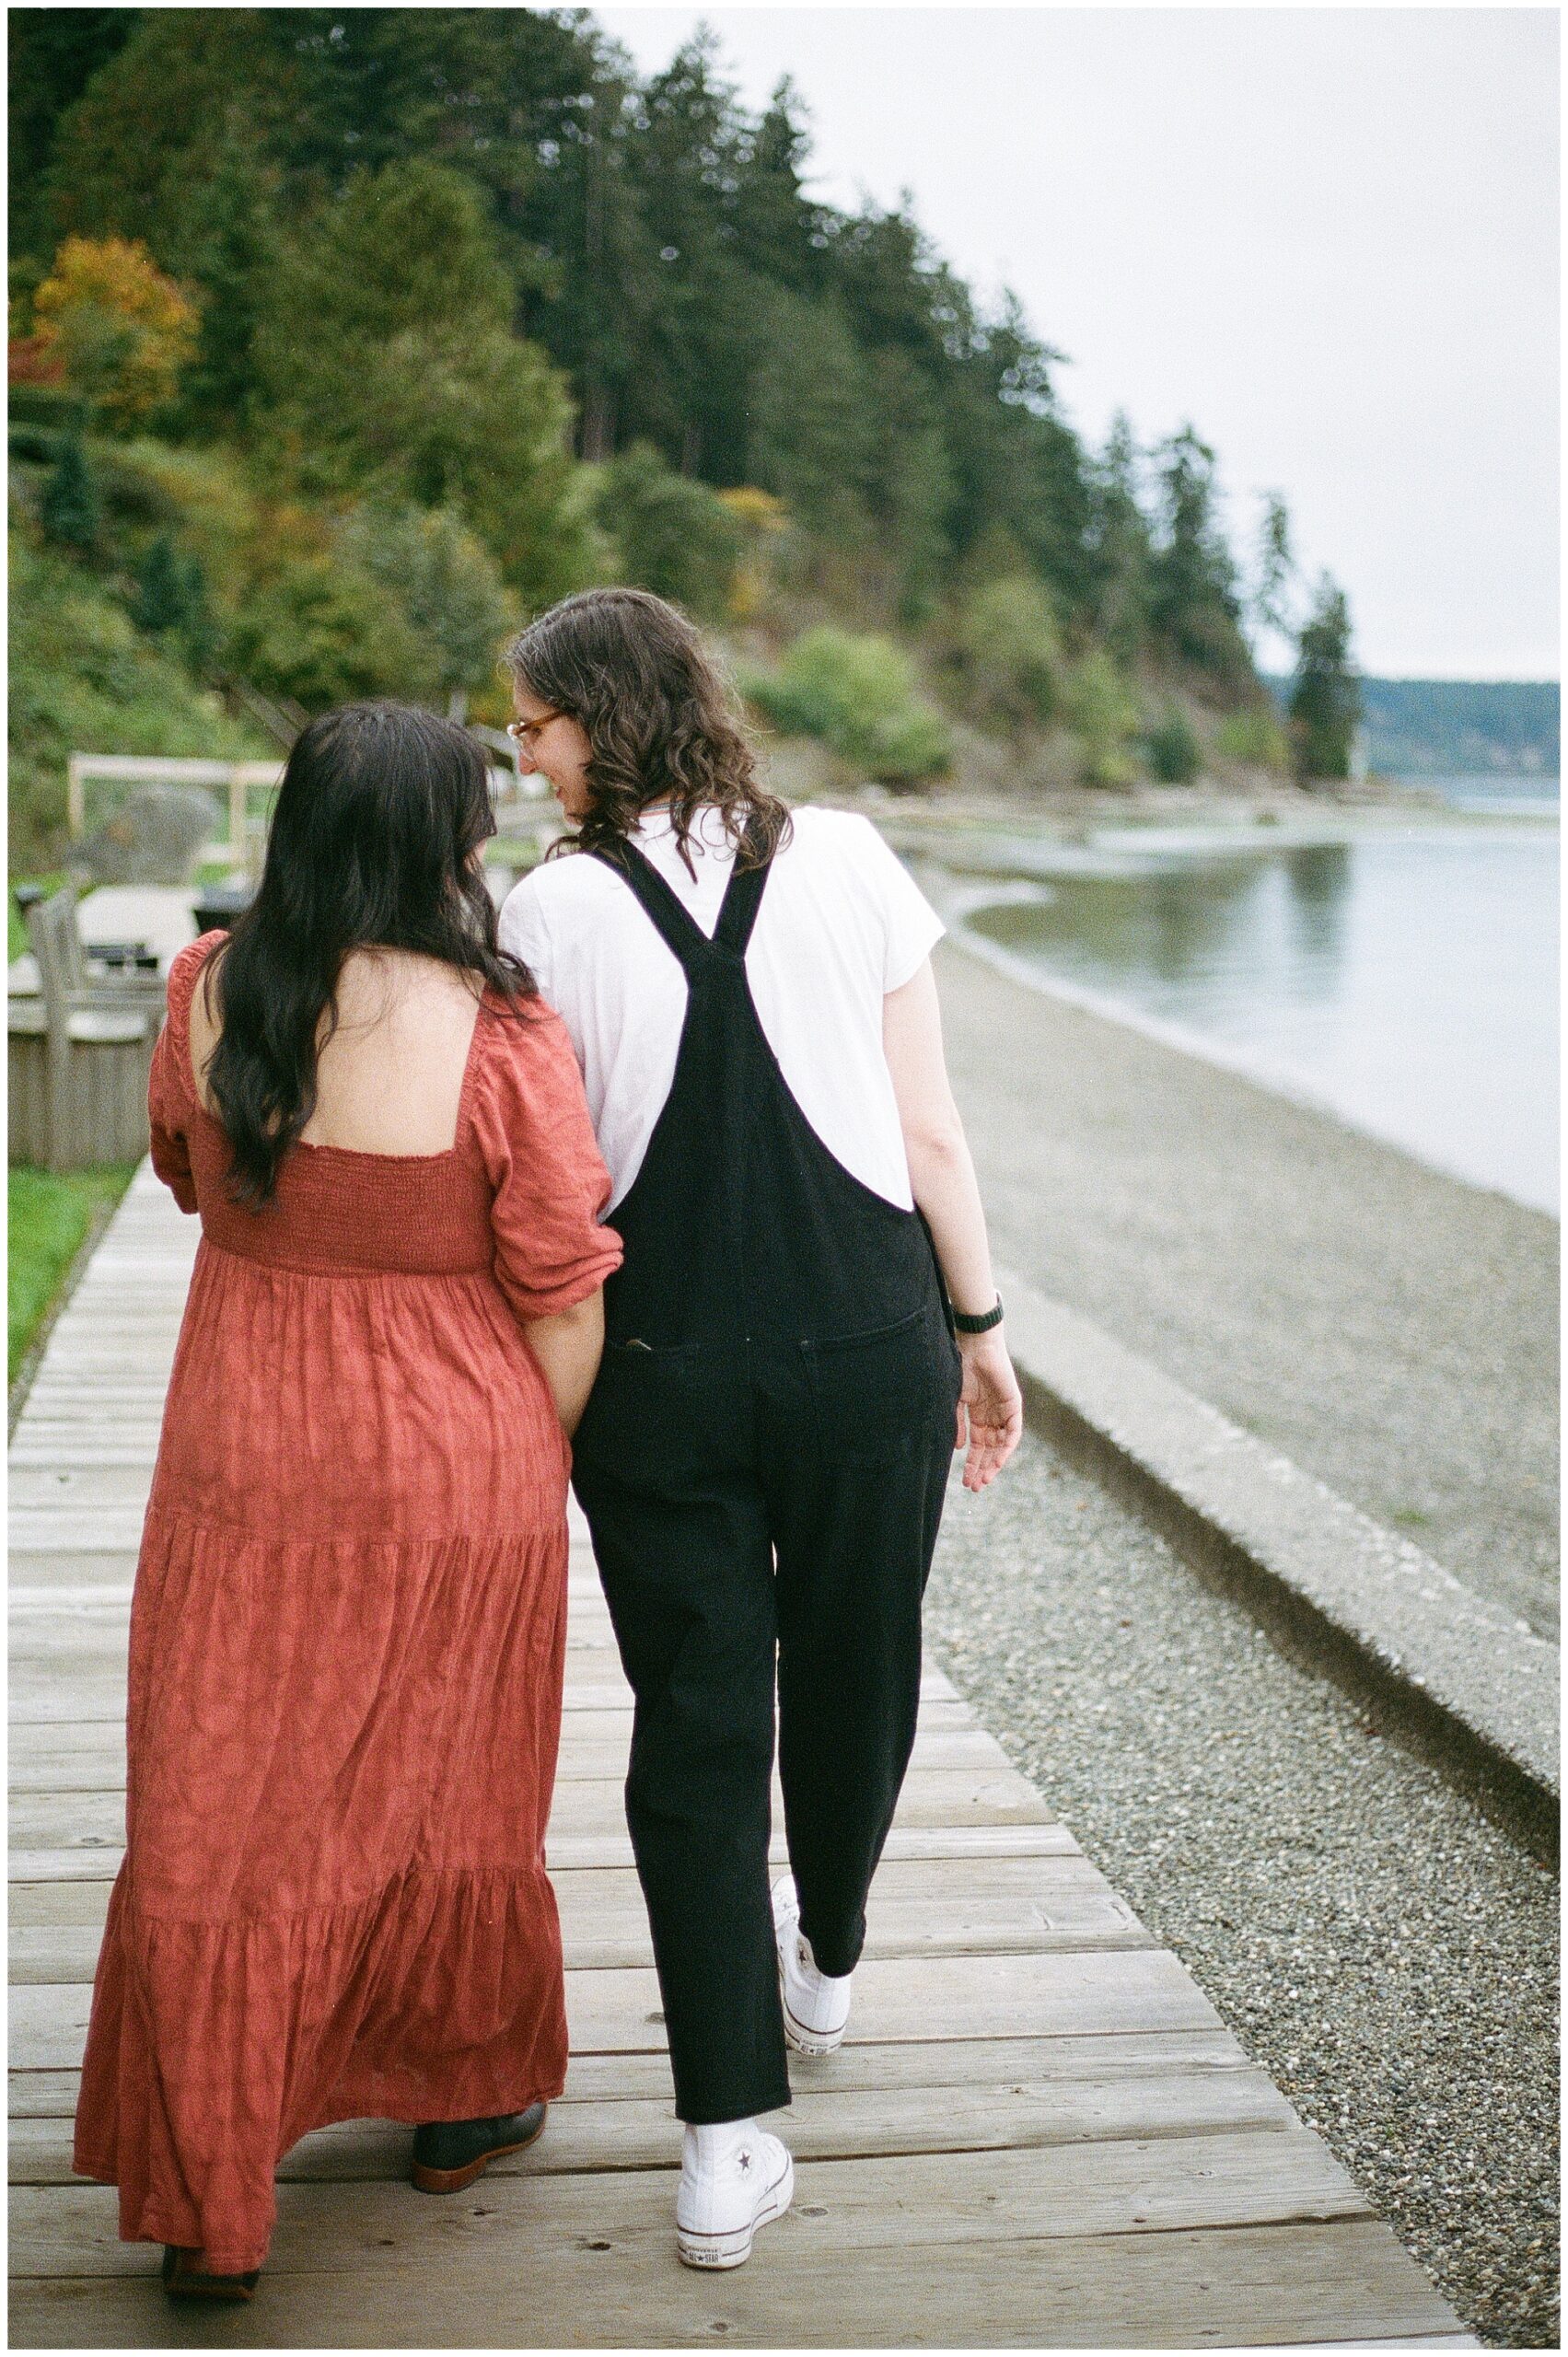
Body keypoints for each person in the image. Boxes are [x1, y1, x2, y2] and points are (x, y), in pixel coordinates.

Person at [497, 587, 1023, 2270]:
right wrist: (983, 1331)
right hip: (876, 1343)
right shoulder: (856, 860)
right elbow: (930, 1139)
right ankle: (834, 1958)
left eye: (538, 725)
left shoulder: (552, 912)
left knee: (701, 1724)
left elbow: (558, 1184)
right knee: (864, 1659)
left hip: (662, 1368)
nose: (523, 757)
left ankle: (724, 2139)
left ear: (609, 715)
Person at [72, 702, 622, 2299]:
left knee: (223, 1786)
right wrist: (531, 1456)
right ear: (437, 848)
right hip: (457, 1450)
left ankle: (208, 2181)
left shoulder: (208, 989)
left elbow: (188, 1174)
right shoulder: (503, 1035)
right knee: (449, 1778)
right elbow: (564, 1285)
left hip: (244, 1436)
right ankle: (455, 2104)